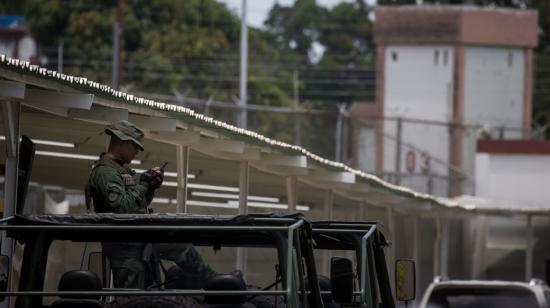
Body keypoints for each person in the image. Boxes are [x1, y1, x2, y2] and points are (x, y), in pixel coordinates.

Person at [85, 120, 215, 289]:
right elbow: (122, 210)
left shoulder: (118, 171)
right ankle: (216, 283)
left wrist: (150, 187)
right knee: (131, 298)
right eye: (135, 147)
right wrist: (143, 184)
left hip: (138, 243)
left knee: (181, 249)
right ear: (122, 142)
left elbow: (136, 206)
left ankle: (215, 283)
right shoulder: (104, 172)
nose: (137, 152)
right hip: (126, 249)